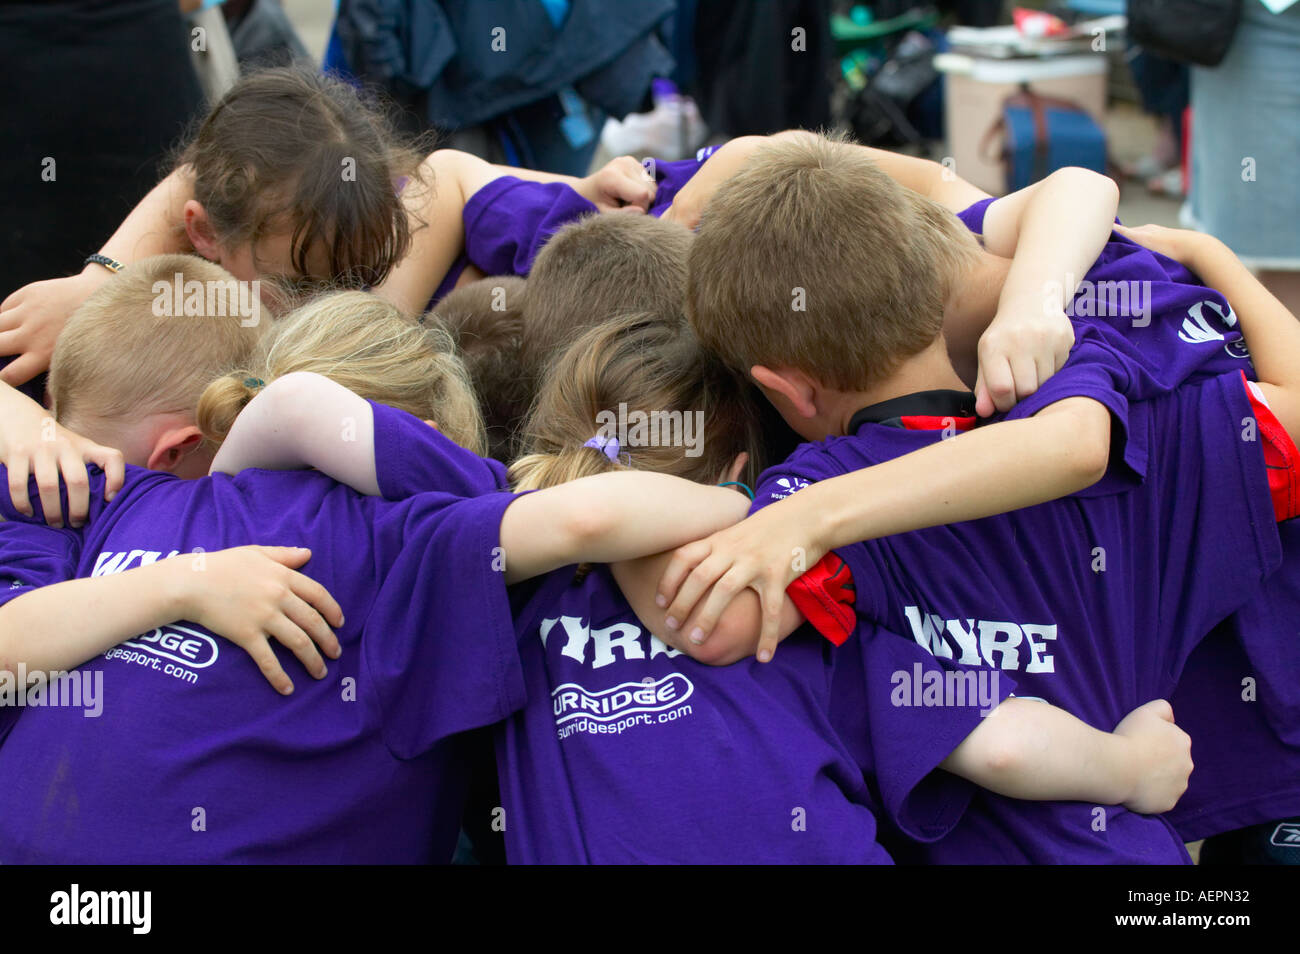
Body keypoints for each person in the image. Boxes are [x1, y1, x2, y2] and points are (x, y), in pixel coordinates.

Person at [660, 134, 1299, 861]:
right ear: (944, 275)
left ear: (786, 387)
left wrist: (782, 514)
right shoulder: (1126, 403)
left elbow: (714, 625)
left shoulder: (801, 513)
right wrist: (1211, 256)